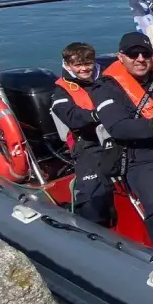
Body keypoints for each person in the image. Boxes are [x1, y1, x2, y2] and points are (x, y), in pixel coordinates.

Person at [94, 31, 153, 258]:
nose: (141, 59)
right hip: (144, 156)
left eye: (145, 53)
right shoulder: (105, 88)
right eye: (133, 54)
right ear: (121, 56)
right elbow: (118, 127)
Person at [50, 42, 115, 226]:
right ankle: (93, 229)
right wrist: (98, 114)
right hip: (88, 144)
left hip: (118, 136)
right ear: (68, 65)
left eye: (87, 63)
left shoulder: (107, 79)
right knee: (93, 193)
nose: (84, 69)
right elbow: (71, 116)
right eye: (78, 65)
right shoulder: (61, 91)